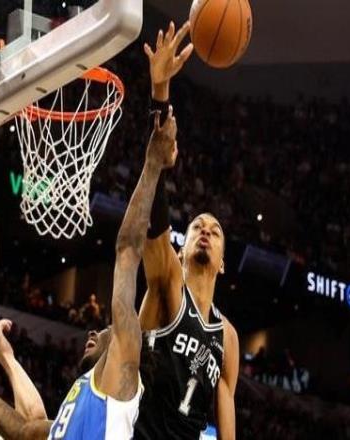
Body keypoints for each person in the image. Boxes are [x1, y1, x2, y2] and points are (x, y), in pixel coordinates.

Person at [0, 106, 179, 440]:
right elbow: (23, 430)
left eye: (105, 329)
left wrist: (153, 164)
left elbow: (128, 249)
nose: (93, 331)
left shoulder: (124, 364)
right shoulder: (78, 399)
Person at [134, 22, 240, 439]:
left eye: (215, 230)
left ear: (223, 263)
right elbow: (154, 224)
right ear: (181, 250)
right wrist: (160, 95)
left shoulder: (228, 336)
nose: (206, 231)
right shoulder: (168, 284)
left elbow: (225, 414)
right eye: (197, 226)